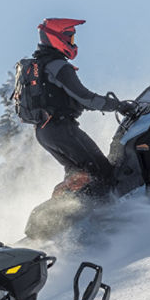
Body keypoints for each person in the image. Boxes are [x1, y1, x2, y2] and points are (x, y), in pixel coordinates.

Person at [16, 18, 134, 198]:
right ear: (55, 37)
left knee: (79, 175)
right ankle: (103, 212)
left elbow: (67, 99)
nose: (72, 43)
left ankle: (64, 207)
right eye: (69, 38)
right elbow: (85, 97)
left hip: (44, 132)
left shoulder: (41, 66)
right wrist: (117, 105)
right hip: (62, 129)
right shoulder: (58, 66)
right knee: (103, 173)